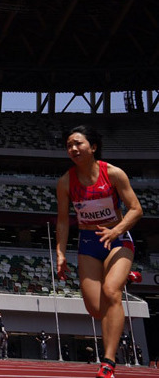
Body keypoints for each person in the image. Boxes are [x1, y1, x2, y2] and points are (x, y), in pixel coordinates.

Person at [55, 125, 143, 378]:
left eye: (78, 143)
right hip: (88, 242)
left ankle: (108, 361)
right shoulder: (65, 182)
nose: (73, 148)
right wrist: (60, 253)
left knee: (110, 291)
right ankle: (123, 277)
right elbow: (62, 221)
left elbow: (136, 209)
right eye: (69, 145)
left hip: (117, 239)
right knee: (96, 309)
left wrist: (116, 230)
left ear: (93, 147)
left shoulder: (114, 174)